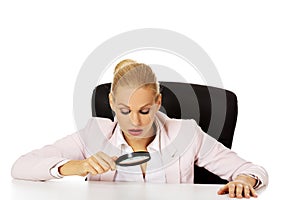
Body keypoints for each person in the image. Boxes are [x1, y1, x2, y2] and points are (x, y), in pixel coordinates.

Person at [11, 59, 268, 198]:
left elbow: (252, 170)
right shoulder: (95, 132)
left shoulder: (186, 134)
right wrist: (78, 167)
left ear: (158, 102)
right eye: (124, 111)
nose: (135, 122)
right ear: (111, 103)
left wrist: (245, 179)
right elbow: (20, 166)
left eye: (144, 111)